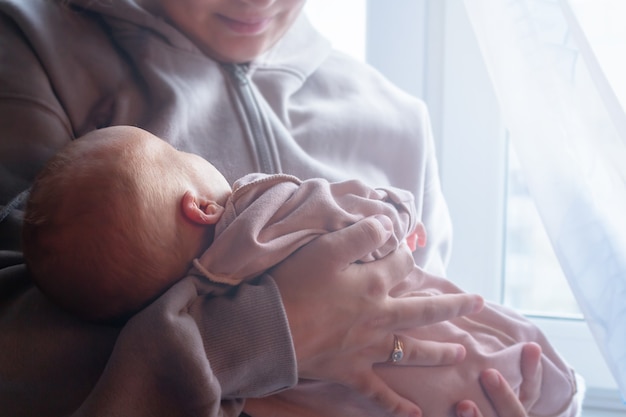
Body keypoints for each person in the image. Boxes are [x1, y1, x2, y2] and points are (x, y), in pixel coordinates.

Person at [0, 0, 555, 415]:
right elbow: (19, 363)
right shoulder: (33, 51)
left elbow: (436, 322)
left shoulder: (400, 118)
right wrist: (273, 330)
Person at [23, 126, 579, 417]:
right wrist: (395, 212)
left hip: (386, 382)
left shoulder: (185, 315)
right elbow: (360, 214)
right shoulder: (258, 211)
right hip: (456, 363)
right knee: (495, 351)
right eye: (177, 149)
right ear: (199, 206)